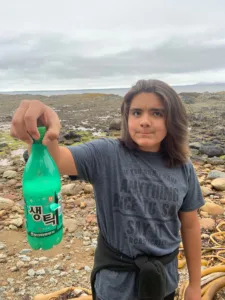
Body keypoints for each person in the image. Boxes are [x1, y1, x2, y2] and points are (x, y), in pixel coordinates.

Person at [10, 79, 204, 300]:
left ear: (173, 119)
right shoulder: (106, 154)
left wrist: (195, 285)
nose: (145, 121)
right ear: (126, 117)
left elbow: (190, 226)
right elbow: (57, 160)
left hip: (164, 282)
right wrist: (42, 124)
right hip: (115, 286)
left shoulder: (183, 166)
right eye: (137, 113)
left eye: (157, 113)